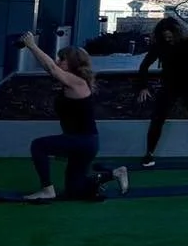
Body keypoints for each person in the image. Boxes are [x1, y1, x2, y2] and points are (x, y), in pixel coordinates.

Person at [19, 32, 128, 202]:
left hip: (82, 141)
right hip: (83, 142)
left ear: (71, 64)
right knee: (75, 189)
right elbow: (50, 68)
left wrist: (32, 45)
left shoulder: (77, 82)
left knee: (39, 145)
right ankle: (114, 174)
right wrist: (32, 50)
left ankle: (47, 189)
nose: (58, 62)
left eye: (62, 59)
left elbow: (52, 69)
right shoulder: (72, 81)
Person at [136, 16, 188, 170]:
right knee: (158, 119)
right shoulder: (160, 46)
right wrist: (143, 86)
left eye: (170, 37)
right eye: (165, 37)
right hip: (170, 85)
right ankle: (149, 153)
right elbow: (144, 65)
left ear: (176, 34)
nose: (168, 39)